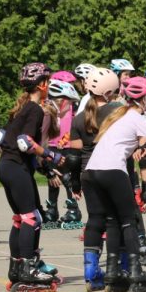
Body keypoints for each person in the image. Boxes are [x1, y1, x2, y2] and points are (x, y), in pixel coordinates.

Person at [81, 76, 146, 292]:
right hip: (112, 170)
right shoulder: (138, 118)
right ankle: (135, 274)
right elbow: (144, 154)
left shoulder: (118, 115)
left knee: (112, 220)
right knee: (129, 220)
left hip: (91, 171)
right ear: (143, 100)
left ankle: (112, 274)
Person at [0, 63, 67, 292]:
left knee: (21, 218)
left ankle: (16, 267)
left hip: (7, 165)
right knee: (31, 218)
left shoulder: (23, 107)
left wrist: (44, 167)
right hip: (16, 166)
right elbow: (25, 142)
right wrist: (50, 155)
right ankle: (28, 268)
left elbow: (1, 138)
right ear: (42, 85)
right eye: (48, 81)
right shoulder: (35, 109)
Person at [68, 67, 122, 291]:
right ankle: (116, 270)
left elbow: (73, 156)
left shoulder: (79, 118)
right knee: (116, 220)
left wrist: (74, 182)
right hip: (112, 171)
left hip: (87, 173)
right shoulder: (117, 113)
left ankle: (91, 272)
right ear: (109, 92)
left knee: (95, 219)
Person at [44, 72, 83, 230]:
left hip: (67, 146)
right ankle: (52, 209)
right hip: (51, 146)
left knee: (67, 178)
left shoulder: (74, 105)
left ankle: (73, 209)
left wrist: (65, 140)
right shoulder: (49, 103)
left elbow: (77, 125)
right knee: (53, 179)